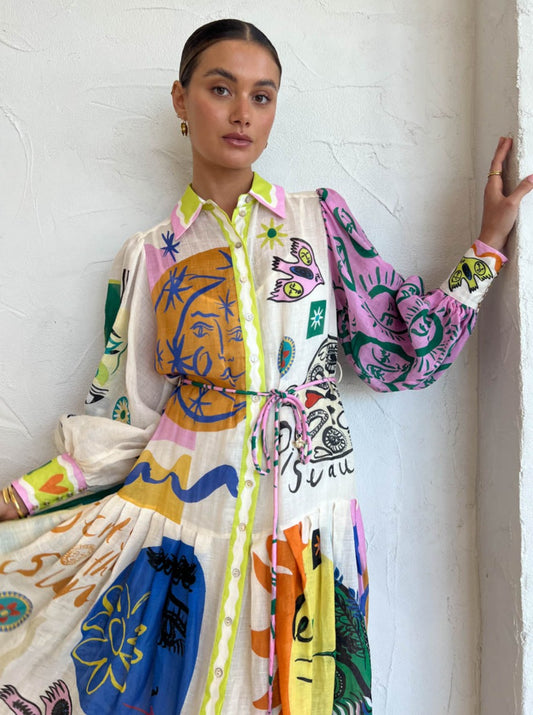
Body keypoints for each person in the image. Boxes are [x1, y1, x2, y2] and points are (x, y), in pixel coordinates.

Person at [0, 17, 531, 715]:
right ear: (181, 99)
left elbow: (404, 349)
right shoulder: (149, 255)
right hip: (181, 538)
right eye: (221, 89)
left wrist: (486, 247)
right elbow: (124, 419)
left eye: (262, 95)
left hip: (308, 536)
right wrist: (22, 498)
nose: (242, 113)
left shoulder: (318, 223)